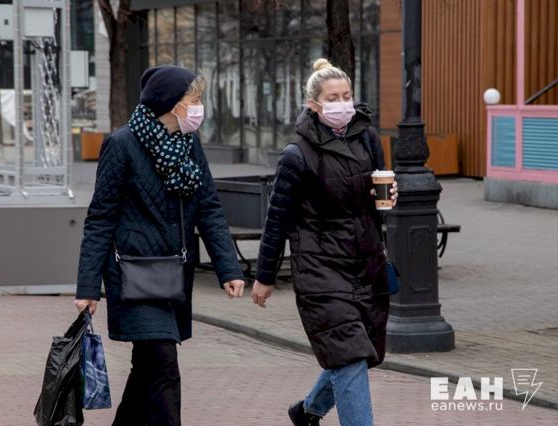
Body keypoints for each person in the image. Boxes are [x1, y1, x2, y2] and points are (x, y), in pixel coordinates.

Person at [74, 65, 245, 426]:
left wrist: (228, 268)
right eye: (194, 100)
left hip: (172, 276)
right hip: (133, 276)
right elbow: (100, 218)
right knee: (163, 362)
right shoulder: (121, 144)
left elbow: (209, 207)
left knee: (147, 367)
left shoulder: (188, 143)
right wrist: (88, 287)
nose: (198, 108)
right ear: (171, 104)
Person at [251, 58, 398, 426]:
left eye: (347, 95)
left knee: (358, 350)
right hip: (320, 269)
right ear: (314, 104)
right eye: (333, 98)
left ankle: (307, 411)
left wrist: (390, 196)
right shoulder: (296, 155)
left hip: (365, 263)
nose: (343, 103)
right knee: (348, 353)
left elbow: (376, 194)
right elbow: (277, 219)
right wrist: (265, 276)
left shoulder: (367, 138)